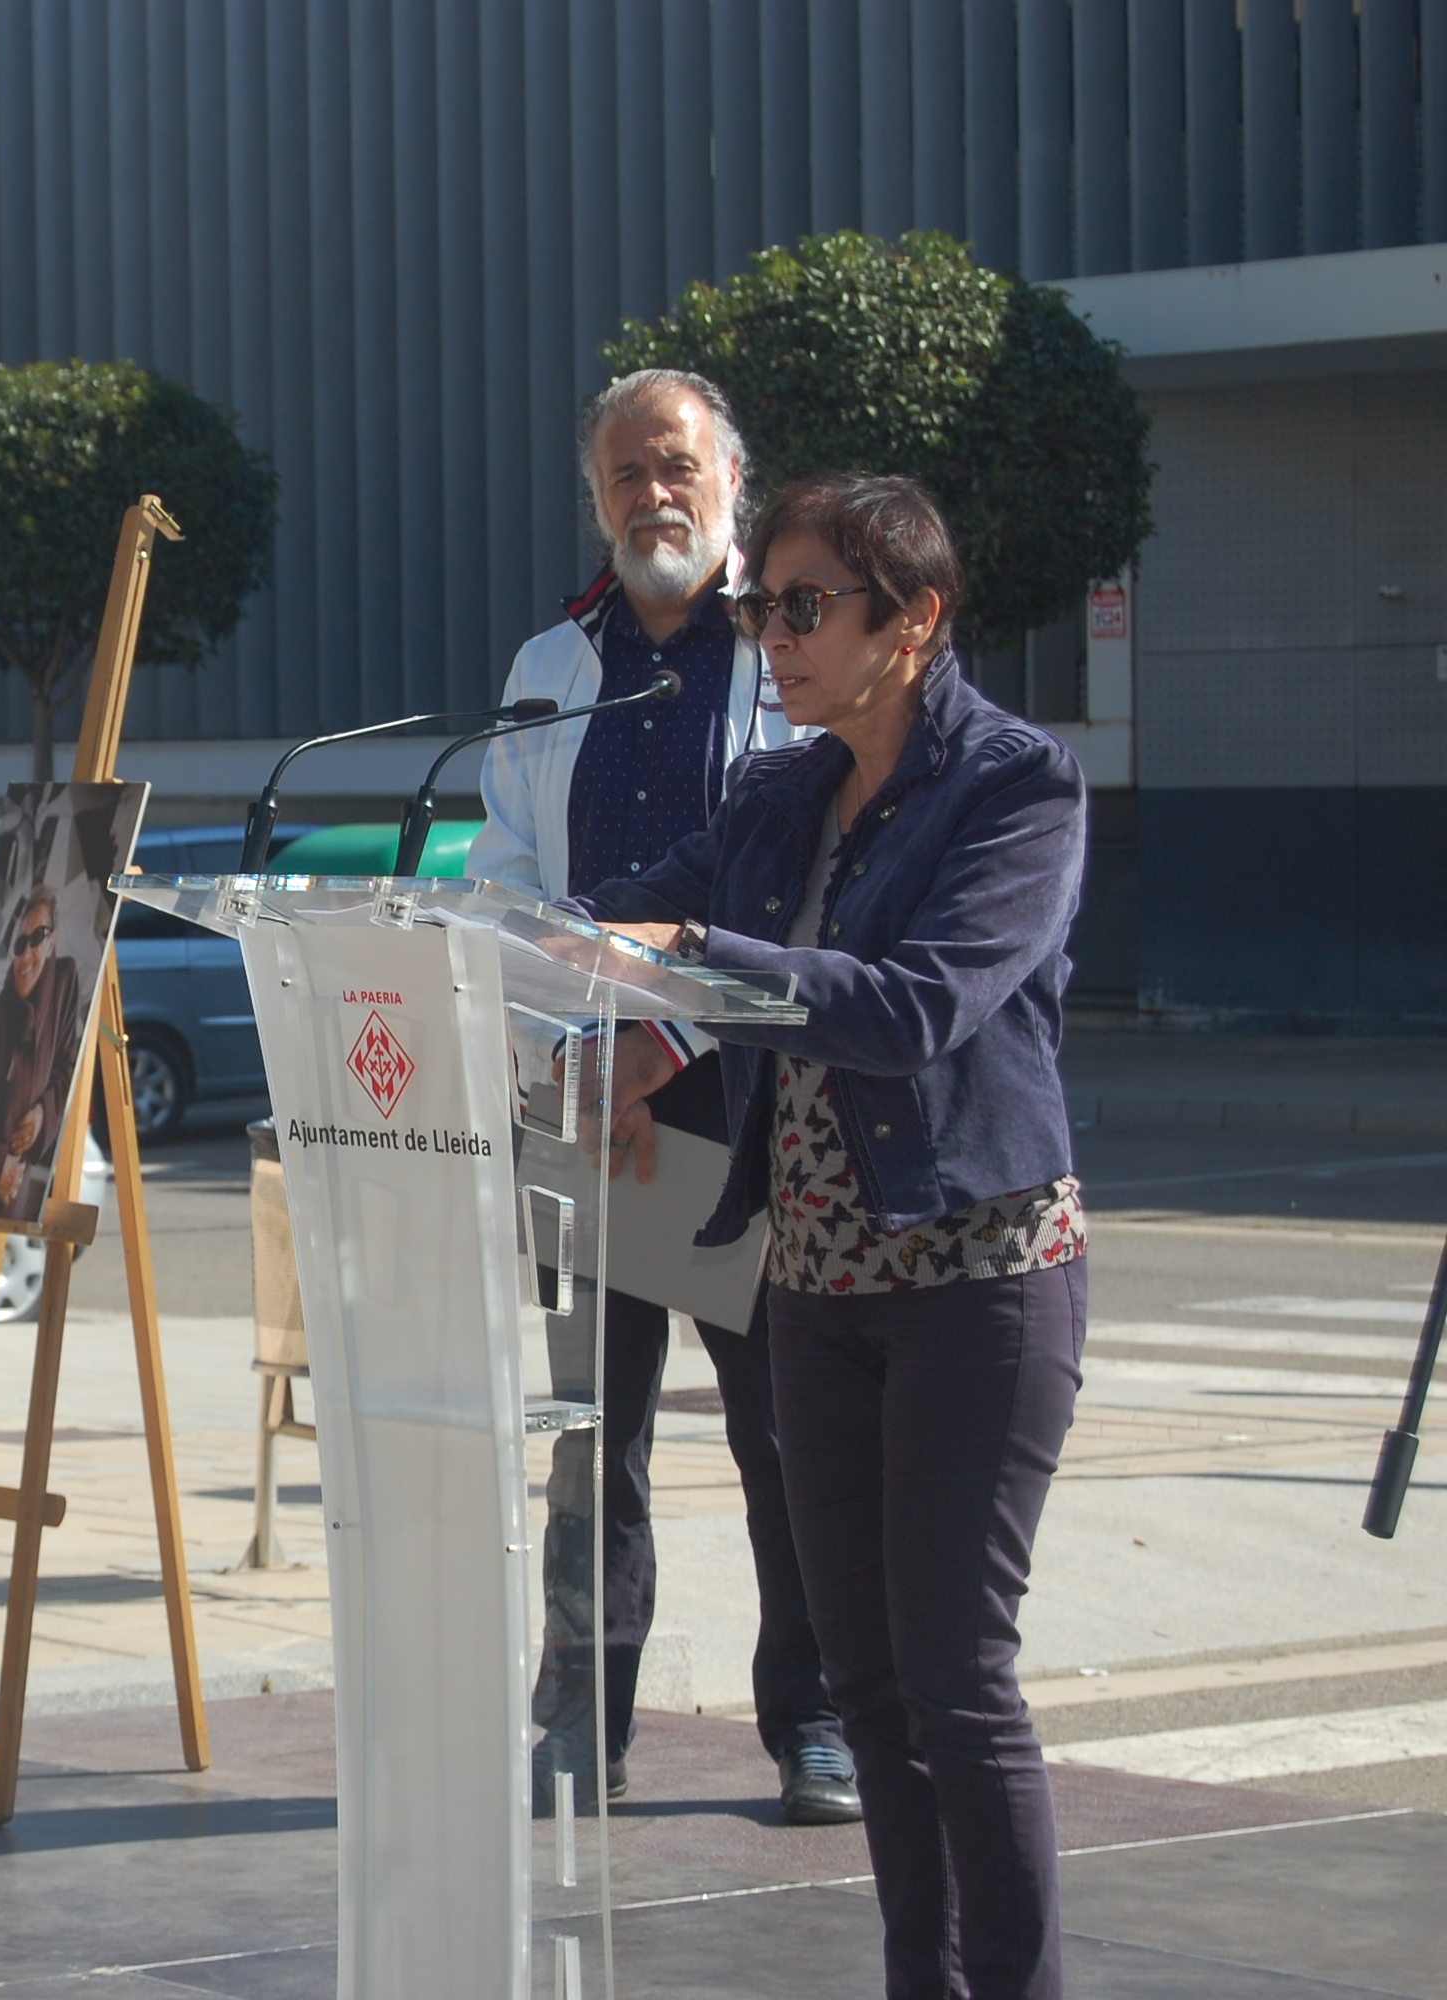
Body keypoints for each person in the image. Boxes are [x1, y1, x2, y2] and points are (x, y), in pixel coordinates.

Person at [576, 472, 1088, 2000]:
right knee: (865, 1690)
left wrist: (692, 957)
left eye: (806, 606)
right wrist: (508, 946)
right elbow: (632, 922)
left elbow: (920, 1007)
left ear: (914, 619)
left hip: (975, 1280)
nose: (773, 638)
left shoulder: (1019, 788)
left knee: (955, 1688)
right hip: (810, 1284)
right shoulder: (778, 794)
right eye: (763, 606)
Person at [468, 367, 859, 1826]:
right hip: (581, 1097)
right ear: (596, 499)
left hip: (741, 1098)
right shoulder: (550, 662)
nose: (655, 495)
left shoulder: (793, 649)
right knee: (592, 1439)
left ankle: (815, 1722)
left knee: (784, 1436)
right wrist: (569, 1045)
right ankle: (583, 1725)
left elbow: (803, 886)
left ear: (734, 483)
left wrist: (663, 1047)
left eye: (679, 466)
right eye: (627, 474)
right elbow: (507, 877)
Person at [0, 884, 84, 1220]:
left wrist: (42, 1115)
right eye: (20, 944)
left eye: (38, 937)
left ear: (53, 940)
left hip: (17, 1197)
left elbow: (66, 1067)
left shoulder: (64, 983)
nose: (26, 956)